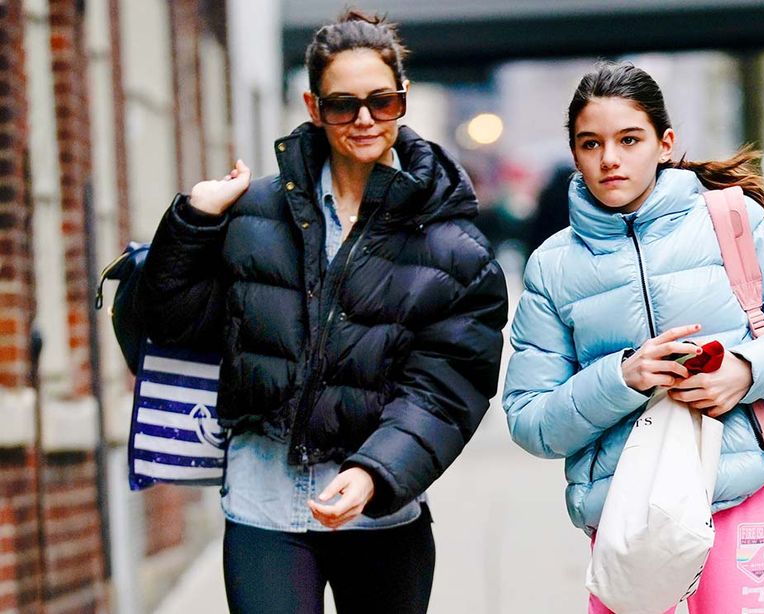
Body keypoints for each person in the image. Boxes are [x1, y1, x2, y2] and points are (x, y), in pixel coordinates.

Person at [141, 10, 508, 613]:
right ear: (314, 107)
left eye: (381, 102)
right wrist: (195, 220)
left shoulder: (451, 243)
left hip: (381, 511)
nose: (364, 119)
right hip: (264, 508)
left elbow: (449, 385)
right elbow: (173, 323)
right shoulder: (254, 213)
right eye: (343, 105)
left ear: (402, 101)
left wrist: (375, 472)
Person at [502, 62, 764, 613]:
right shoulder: (552, 267)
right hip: (626, 509)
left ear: (665, 143)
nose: (609, 158)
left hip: (738, 485)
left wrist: (746, 370)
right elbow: (529, 419)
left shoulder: (729, 222)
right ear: (575, 153)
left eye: (629, 139)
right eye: (591, 143)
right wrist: (621, 379)